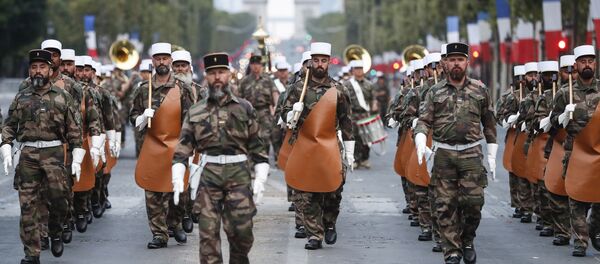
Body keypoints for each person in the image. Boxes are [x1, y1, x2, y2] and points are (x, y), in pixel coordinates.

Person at [172, 52, 268, 263]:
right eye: (213, 73)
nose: (217, 77)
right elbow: (183, 148)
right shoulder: (196, 111)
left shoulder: (244, 108)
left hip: (239, 177)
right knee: (208, 236)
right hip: (209, 177)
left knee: (242, 234)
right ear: (206, 76)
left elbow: (258, 148)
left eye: (222, 72)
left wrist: (260, 178)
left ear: (229, 75)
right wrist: (178, 175)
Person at [414, 42, 497, 264]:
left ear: (467, 62)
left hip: (471, 154)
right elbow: (423, 121)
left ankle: (467, 239)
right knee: (444, 205)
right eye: (452, 60)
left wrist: (492, 153)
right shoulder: (434, 92)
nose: (456, 64)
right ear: (444, 63)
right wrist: (420, 139)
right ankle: (451, 250)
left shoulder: (480, 90)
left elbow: (489, 123)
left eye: (460, 59)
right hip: (444, 155)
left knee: (474, 203)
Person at [2, 49, 84, 264]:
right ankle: (32, 253)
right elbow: (9, 125)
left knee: (60, 201)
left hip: (54, 154)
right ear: (30, 70)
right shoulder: (22, 96)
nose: (38, 71)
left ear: (50, 70)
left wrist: (77, 155)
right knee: (27, 206)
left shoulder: (63, 97)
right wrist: (5, 145)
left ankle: (56, 231)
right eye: (34, 67)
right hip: (28, 156)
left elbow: (74, 129)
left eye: (42, 67)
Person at [280, 42, 354, 250]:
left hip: (330, 143)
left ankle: (329, 223)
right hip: (305, 144)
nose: (319, 64)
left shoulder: (338, 89)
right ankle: (315, 234)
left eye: (323, 60)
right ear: (310, 62)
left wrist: (349, 150)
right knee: (305, 191)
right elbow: (283, 114)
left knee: (333, 189)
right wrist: (291, 113)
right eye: (316, 60)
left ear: (329, 62)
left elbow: (346, 119)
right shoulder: (298, 88)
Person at [129, 43, 194, 249]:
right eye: (158, 58)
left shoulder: (182, 88)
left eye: (165, 58)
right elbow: (132, 115)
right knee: (153, 191)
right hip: (152, 146)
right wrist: (141, 117)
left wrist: (190, 147)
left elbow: (190, 118)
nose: (162, 62)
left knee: (177, 191)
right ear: (153, 61)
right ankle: (159, 233)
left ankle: (174, 224)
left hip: (177, 145)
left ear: (170, 61)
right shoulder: (143, 90)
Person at [550, 45, 600, 257]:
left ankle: (593, 228)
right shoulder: (565, 93)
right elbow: (550, 123)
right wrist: (561, 118)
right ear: (576, 65)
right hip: (574, 152)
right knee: (576, 198)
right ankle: (580, 241)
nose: (587, 64)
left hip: (598, 152)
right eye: (583, 61)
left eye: (590, 60)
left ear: (595, 64)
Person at [343, 59, 377, 169]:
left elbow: (373, 98)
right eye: (356, 69)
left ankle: (365, 158)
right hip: (352, 114)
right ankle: (355, 159)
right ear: (352, 71)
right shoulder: (347, 84)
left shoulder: (369, 84)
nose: (358, 71)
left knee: (367, 137)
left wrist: (374, 105)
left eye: (360, 69)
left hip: (365, 114)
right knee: (354, 137)